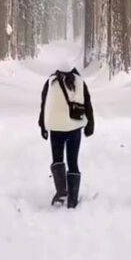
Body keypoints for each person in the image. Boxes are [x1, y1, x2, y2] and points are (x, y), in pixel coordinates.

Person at [38, 65, 94, 208]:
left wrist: (43, 125)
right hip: (74, 128)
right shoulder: (79, 81)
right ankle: (73, 199)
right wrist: (90, 125)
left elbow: (44, 105)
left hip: (56, 129)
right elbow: (87, 103)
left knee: (58, 159)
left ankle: (62, 191)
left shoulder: (51, 81)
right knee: (73, 161)